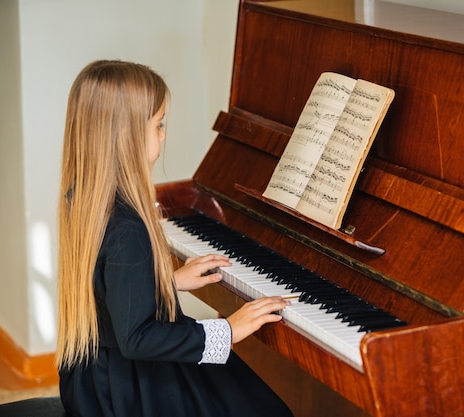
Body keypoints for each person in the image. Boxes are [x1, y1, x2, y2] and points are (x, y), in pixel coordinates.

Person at [56, 60, 294, 417]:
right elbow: (138, 338)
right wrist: (228, 329)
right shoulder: (127, 226)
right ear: (126, 135)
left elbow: (105, 286)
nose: (164, 136)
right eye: (158, 125)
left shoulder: (86, 198)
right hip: (131, 392)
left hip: (93, 381)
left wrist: (164, 281)